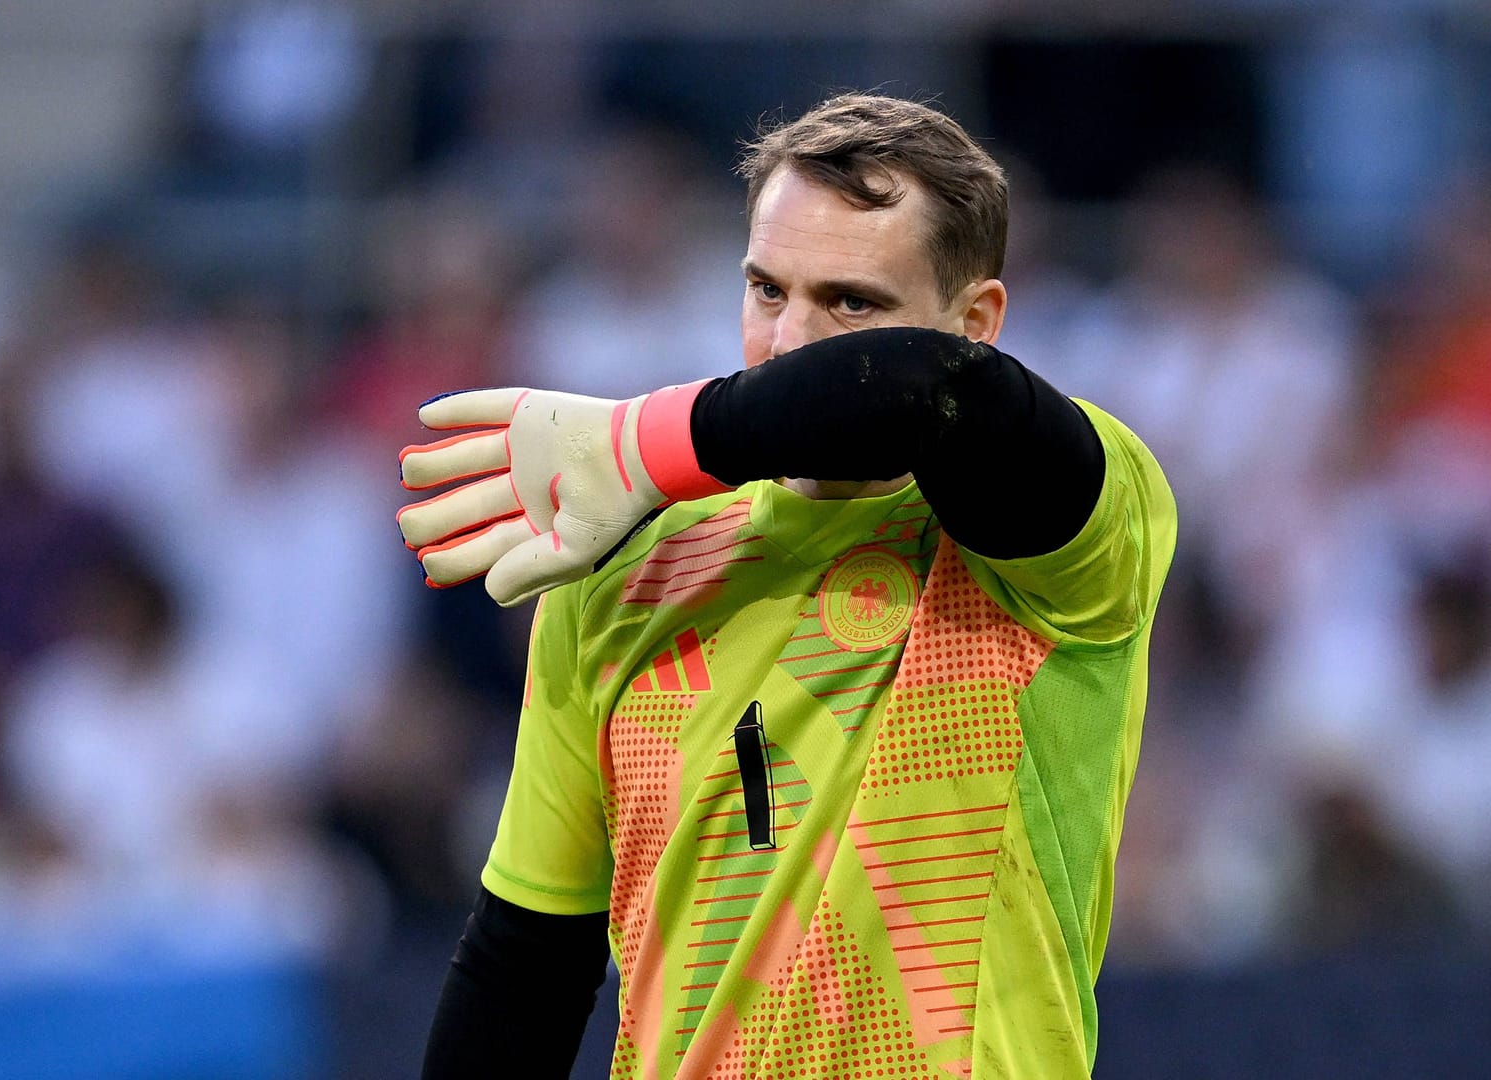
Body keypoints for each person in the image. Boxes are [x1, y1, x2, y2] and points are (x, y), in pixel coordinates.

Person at [400, 93, 1177, 1079]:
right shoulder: (622, 561)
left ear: (974, 318)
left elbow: (938, 392)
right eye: (767, 290)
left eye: (851, 303)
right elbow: (526, 965)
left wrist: (658, 439)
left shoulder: (1056, 540)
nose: (790, 341)